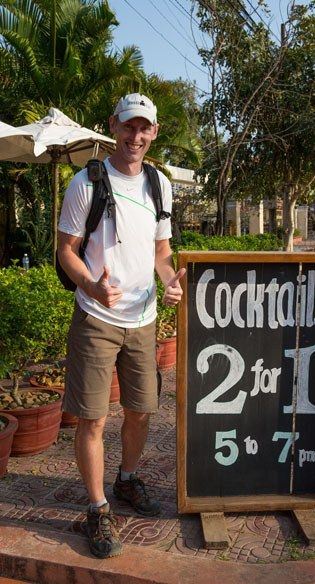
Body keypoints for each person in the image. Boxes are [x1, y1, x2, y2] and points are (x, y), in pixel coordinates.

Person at [57, 93, 185, 559]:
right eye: (128, 126)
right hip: (97, 317)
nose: (136, 136)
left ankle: (127, 478)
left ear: (154, 132)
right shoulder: (85, 183)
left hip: (145, 319)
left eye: (144, 128)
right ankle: (97, 508)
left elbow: (160, 252)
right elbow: (66, 249)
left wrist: (170, 282)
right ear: (114, 125)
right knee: (93, 418)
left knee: (143, 408)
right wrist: (91, 286)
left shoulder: (159, 183)